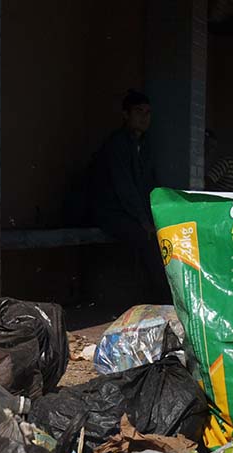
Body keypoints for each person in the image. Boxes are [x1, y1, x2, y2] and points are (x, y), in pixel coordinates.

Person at [89, 90, 170, 302]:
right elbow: (124, 188)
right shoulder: (117, 144)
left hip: (132, 213)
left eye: (148, 113)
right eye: (138, 111)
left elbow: (152, 185)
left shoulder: (146, 145)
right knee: (145, 238)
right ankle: (158, 299)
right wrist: (144, 221)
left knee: (163, 236)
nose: (144, 117)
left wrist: (162, 215)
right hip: (110, 211)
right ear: (125, 114)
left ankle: (163, 296)